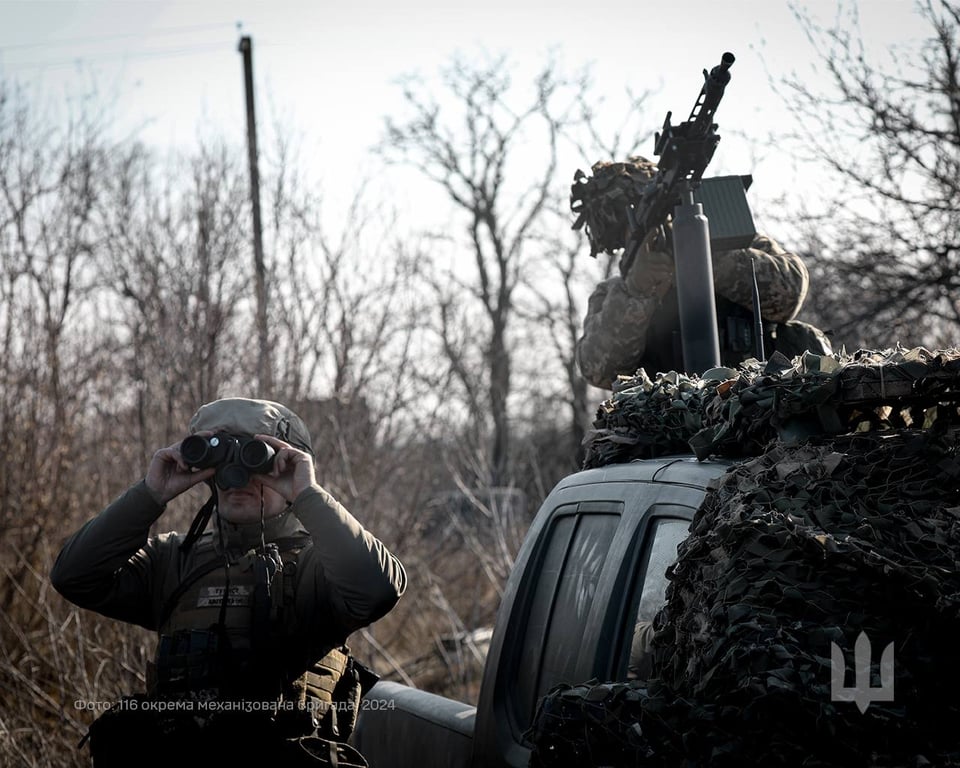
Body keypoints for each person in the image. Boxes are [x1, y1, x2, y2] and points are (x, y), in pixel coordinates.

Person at [51, 397, 406, 766]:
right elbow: (74, 576)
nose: (240, 477)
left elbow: (380, 588)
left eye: (257, 458)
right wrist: (150, 493)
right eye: (221, 459)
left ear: (289, 464)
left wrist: (307, 495)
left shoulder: (316, 566)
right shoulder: (174, 559)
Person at [571, 157, 832, 389]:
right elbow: (600, 372)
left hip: (765, 405)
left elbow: (790, 295)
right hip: (679, 428)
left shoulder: (733, 246)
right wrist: (637, 293)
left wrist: (707, 256)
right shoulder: (614, 295)